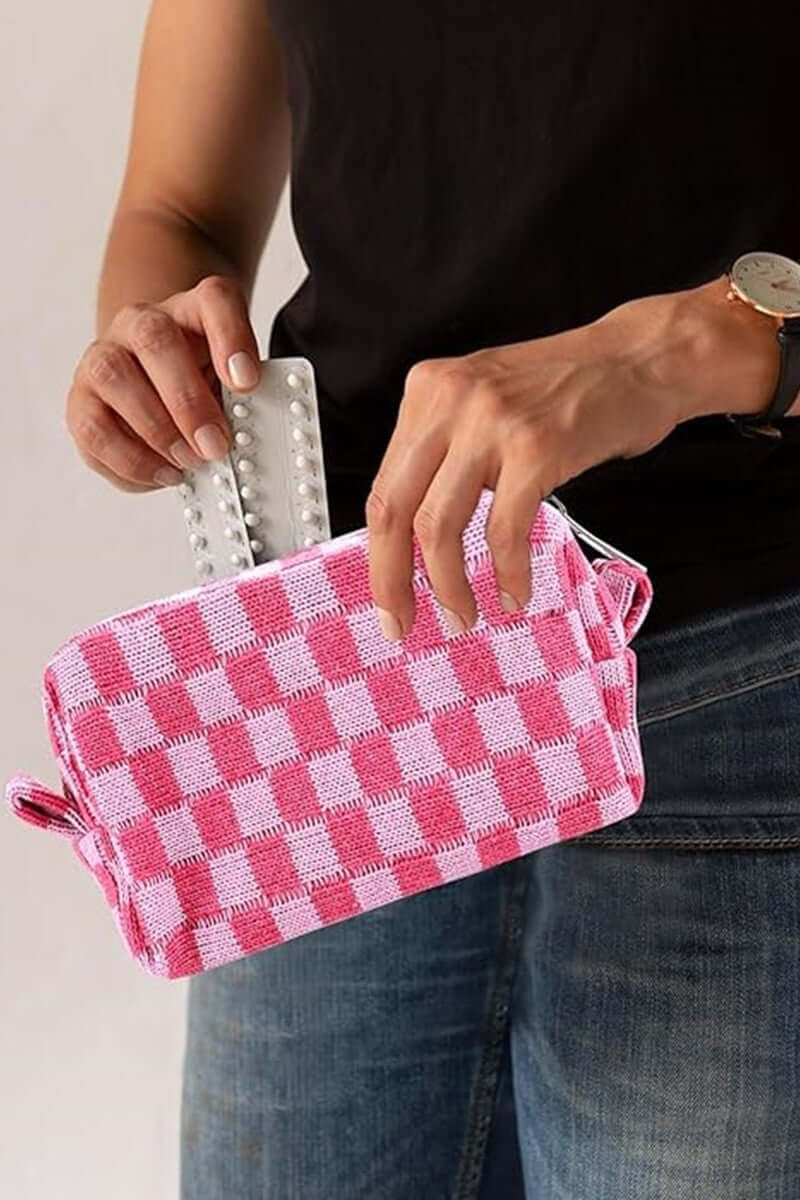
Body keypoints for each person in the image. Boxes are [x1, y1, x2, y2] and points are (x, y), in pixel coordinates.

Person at [66, 2, 800, 1196]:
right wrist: (149, 346)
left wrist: (678, 344)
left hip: (732, 662)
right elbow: (178, 209)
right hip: (334, 680)